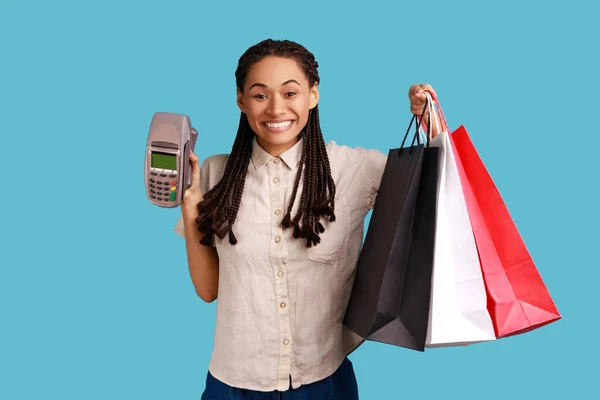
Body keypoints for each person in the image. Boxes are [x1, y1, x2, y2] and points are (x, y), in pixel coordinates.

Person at [173, 38, 442, 399]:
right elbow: (208, 290)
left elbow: (436, 191)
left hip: (323, 379)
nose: (275, 108)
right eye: (259, 95)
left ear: (313, 95)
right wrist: (190, 205)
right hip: (233, 383)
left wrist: (430, 121)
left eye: (290, 93)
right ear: (240, 100)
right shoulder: (215, 174)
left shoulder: (353, 168)